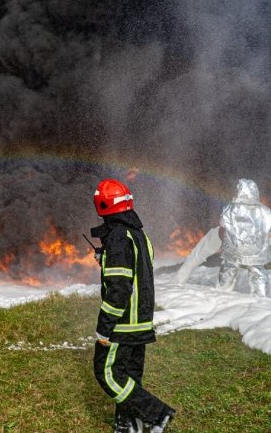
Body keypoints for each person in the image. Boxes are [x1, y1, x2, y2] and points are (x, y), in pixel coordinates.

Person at [91, 178, 175, 433]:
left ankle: (157, 414)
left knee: (107, 373)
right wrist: (104, 257)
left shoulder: (117, 237)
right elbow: (135, 272)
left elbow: (118, 289)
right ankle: (127, 424)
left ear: (102, 205)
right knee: (129, 375)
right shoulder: (138, 234)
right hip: (141, 322)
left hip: (123, 324)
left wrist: (104, 328)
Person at [218, 178, 271, 297]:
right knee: (258, 273)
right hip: (257, 251)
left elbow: (222, 222)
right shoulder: (266, 211)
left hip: (234, 248)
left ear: (239, 191)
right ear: (255, 191)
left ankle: (221, 293)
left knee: (228, 268)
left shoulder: (229, 208)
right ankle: (260, 299)